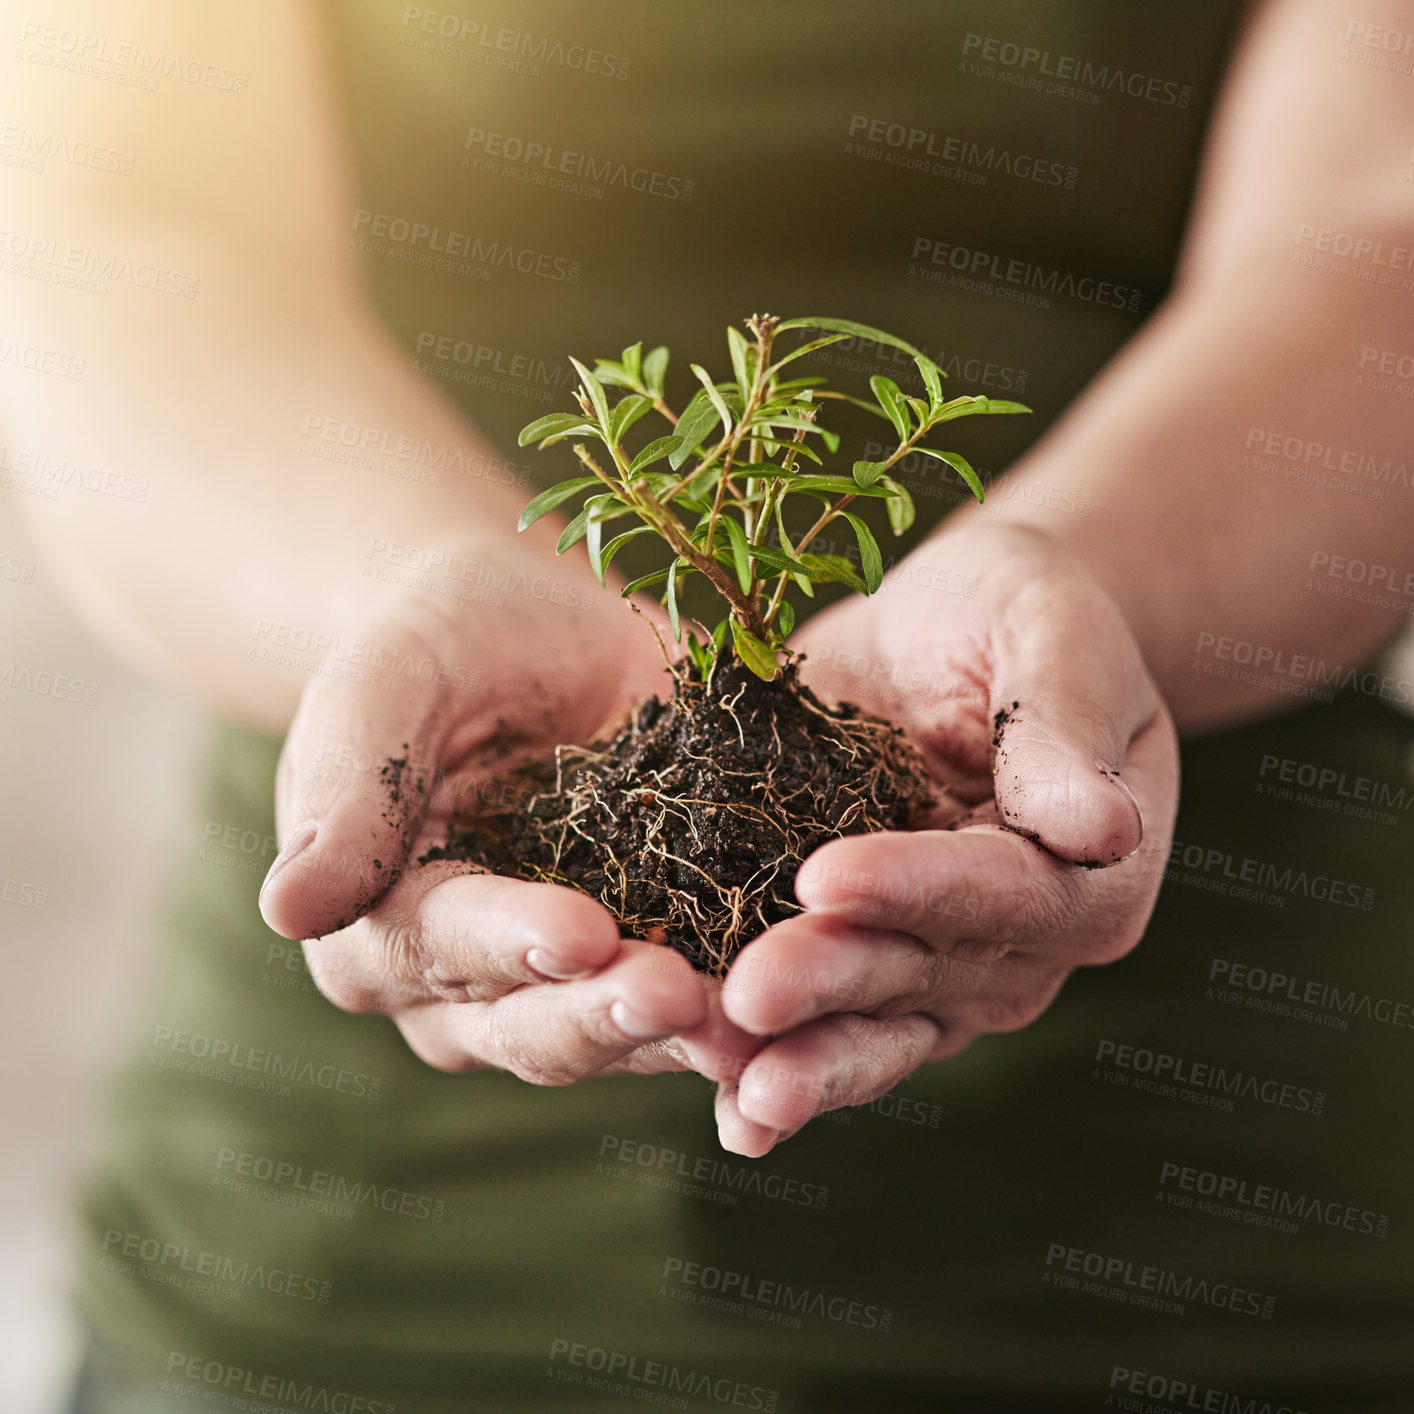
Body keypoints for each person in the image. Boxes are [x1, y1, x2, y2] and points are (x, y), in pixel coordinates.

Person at [3, 0, 1412, 1409]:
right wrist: (415, 591)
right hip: (349, 1254)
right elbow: (112, 223)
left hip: (1219, 1224)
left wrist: (1071, 587)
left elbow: (1372, 242)